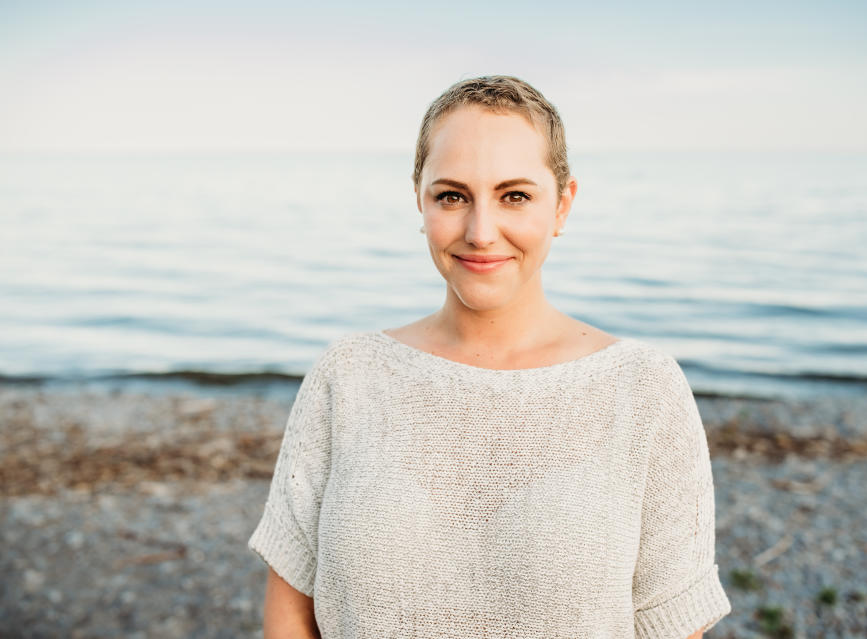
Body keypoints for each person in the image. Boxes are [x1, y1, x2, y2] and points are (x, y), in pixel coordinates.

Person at [248, 75, 732, 638]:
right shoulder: (349, 375)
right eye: (452, 195)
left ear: (563, 204)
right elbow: (290, 613)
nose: (481, 232)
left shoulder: (644, 388)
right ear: (419, 200)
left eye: (515, 196)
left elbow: (673, 626)